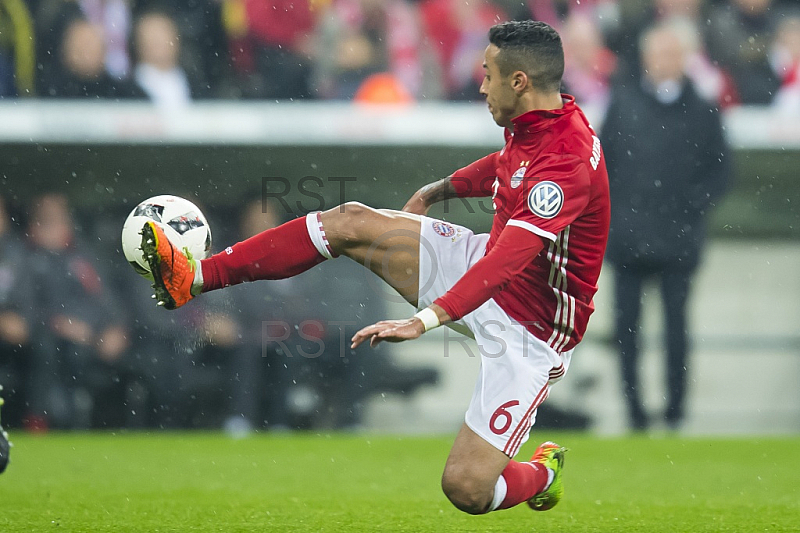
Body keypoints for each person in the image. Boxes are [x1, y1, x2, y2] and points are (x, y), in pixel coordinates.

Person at [139, 20, 609, 515]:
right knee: (348, 221)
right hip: (478, 267)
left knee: (467, 489)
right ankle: (194, 277)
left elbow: (508, 262)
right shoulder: (541, 121)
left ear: (520, 82)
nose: (481, 84)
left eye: (489, 74)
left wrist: (424, 321)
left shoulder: (568, 162)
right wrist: (440, 189)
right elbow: (508, 164)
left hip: (531, 331)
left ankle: (542, 473)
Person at [600, 22, 729, 431]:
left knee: (677, 329)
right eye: (656, 53)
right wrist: (618, 215)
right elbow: (602, 167)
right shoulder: (622, 104)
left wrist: (689, 209)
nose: (662, 62)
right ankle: (634, 410)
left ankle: (675, 410)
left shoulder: (704, 110)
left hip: (678, 240)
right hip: (628, 239)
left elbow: (719, 172)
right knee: (626, 331)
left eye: (671, 53)